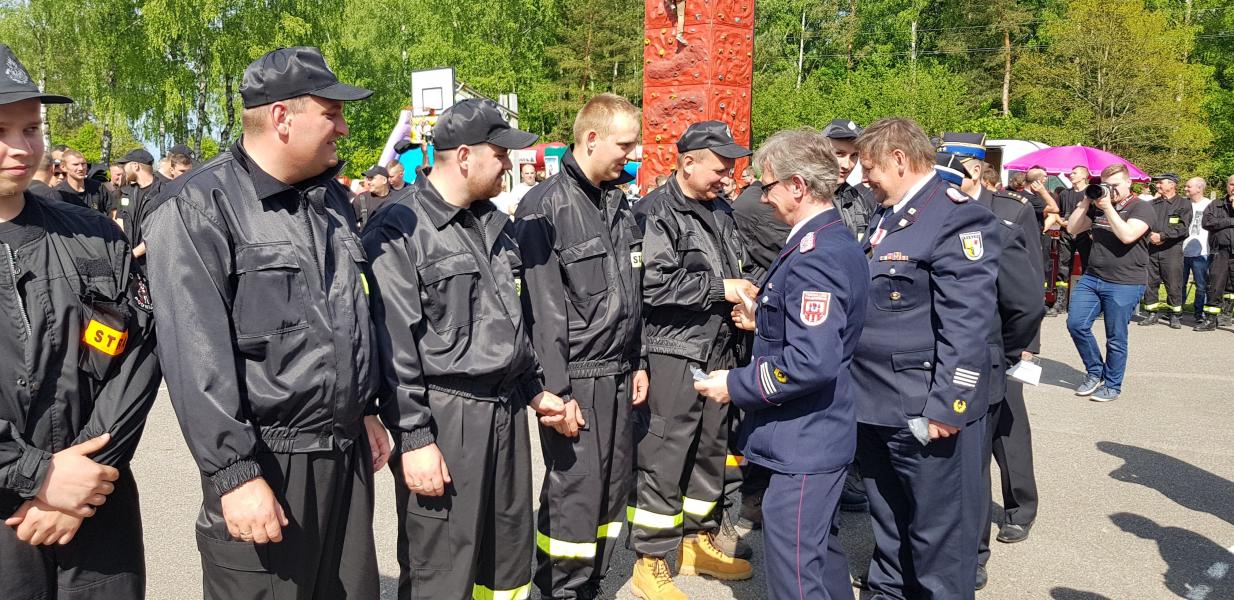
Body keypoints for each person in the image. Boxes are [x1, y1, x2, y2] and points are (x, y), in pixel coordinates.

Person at [143, 47, 389, 599]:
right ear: (282, 118)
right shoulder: (199, 207)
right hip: (267, 464)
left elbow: (348, 317)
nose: (344, 129)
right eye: (331, 114)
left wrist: (364, 407)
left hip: (344, 460)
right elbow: (194, 356)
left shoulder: (330, 203)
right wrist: (235, 473)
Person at [362, 97, 568, 600]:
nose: (508, 165)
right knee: (442, 569)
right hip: (444, 418)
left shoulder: (494, 224)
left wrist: (533, 389)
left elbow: (504, 324)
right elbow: (393, 347)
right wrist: (414, 439)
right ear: (463, 156)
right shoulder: (399, 227)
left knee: (506, 562)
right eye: (499, 155)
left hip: (504, 412)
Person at [0, 43, 162, 600]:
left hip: (98, 504)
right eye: (1, 129)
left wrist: (85, 478)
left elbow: (138, 353)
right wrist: (35, 475)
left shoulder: (92, 236)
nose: (20, 147)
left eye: (30, 128)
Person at [694, 127, 869, 600]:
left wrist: (736, 384)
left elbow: (812, 361)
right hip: (815, 433)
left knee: (796, 574)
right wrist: (764, 320)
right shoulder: (825, 240)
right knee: (820, 554)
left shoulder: (818, 255)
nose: (762, 197)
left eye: (766, 185)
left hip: (805, 438)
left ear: (796, 185)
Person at [851, 118, 1001, 600]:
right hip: (873, 404)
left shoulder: (957, 216)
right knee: (890, 524)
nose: (863, 178)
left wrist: (950, 403)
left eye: (869, 167)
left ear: (899, 159)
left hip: (924, 409)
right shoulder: (887, 214)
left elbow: (967, 325)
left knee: (939, 540)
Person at [511, 93, 648, 600]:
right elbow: (542, 315)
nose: (632, 156)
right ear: (591, 139)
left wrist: (639, 362)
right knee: (575, 496)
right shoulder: (543, 208)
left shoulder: (617, 201)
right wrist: (557, 392)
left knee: (611, 494)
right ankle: (559, 591)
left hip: (618, 372)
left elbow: (634, 292)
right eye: (625, 145)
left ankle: (588, 587)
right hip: (579, 381)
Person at [629, 120, 760, 599]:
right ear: (687, 162)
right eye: (719, 167)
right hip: (673, 352)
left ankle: (695, 542)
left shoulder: (721, 209)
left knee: (710, 451)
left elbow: (737, 267)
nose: (727, 176)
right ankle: (650, 559)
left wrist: (745, 298)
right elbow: (651, 285)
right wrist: (717, 289)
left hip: (720, 347)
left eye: (730, 167)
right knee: (666, 455)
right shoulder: (654, 213)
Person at [940, 133, 1045, 590]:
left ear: (979, 170)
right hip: (965, 350)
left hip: (1005, 344)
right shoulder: (940, 207)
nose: (954, 176)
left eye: (961, 168)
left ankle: (1020, 507)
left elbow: (1030, 283)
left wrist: (1026, 344)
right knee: (972, 454)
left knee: (1010, 430)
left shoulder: (1011, 211)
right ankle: (970, 543)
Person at [1065, 163, 1154, 402]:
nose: (1111, 191)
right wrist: (1085, 202)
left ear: (1128, 183)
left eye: (1115, 186)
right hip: (1093, 276)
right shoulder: (1098, 206)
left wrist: (1108, 208)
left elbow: (1127, 235)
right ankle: (1095, 371)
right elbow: (1072, 228)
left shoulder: (1142, 208)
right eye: (1106, 186)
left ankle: (1112, 385)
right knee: (1076, 324)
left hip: (1125, 281)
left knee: (1115, 337)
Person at [1138, 173, 1190, 328]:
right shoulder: (1151, 204)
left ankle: (1175, 315)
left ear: (1172, 185)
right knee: (1150, 283)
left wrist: (1162, 236)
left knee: (1174, 284)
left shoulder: (1183, 204)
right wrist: (1150, 236)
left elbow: (1183, 228)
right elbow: (1143, 224)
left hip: (1172, 251)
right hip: (1151, 250)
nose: (1158, 186)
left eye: (1161, 183)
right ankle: (1151, 313)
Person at [823, 118, 877, 242]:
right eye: (839, 154)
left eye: (854, 155)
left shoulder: (859, 199)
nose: (847, 165)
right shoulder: (802, 197)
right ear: (820, 152)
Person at [1197, 175, 1234, 331]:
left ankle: (1227, 316)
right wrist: (1230, 221)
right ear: (1227, 186)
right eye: (1232, 184)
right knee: (1215, 286)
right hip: (1220, 252)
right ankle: (1211, 320)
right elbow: (1206, 223)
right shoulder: (1216, 204)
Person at [112, 149, 162, 261]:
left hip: (153, 264)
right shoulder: (126, 193)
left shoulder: (163, 193)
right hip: (131, 262)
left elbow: (161, 233)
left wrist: (133, 255)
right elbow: (120, 226)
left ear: (135, 166)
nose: (123, 170)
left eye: (125, 165)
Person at [1181, 177, 1212, 329]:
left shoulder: (1209, 204)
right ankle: (1177, 311)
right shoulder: (1183, 203)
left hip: (1202, 252)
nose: (1185, 189)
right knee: (1179, 283)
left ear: (1199, 188)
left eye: (1189, 187)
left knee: (1201, 286)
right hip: (1182, 251)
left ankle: (1199, 314)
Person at [55, 149, 109, 213]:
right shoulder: (58, 193)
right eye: (75, 164)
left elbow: (112, 212)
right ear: (63, 167)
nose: (81, 168)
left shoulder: (98, 187)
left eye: (83, 164)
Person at [352, 165, 391, 229]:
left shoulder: (397, 199)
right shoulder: (361, 199)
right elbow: (349, 225)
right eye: (368, 178)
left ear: (384, 180)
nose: (368, 182)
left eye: (372, 178)